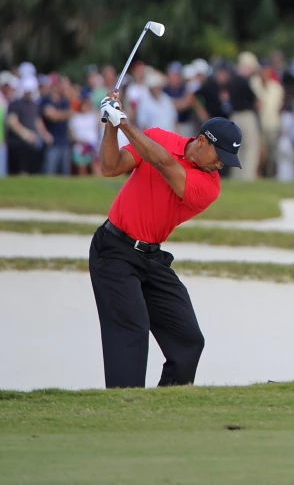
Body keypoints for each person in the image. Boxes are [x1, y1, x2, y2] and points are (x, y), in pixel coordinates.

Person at [91, 92, 241, 389]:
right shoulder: (158, 137)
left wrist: (125, 125)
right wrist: (111, 123)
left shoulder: (209, 187)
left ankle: (167, 405)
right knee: (131, 331)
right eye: (220, 156)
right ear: (202, 141)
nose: (221, 166)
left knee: (188, 340)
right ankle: (126, 411)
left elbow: (163, 164)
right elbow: (110, 167)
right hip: (113, 251)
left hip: (151, 259)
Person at [5, 78, 50, 176]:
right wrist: (26, 134)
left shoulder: (34, 105)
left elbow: (38, 121)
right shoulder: (15, 104)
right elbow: (12, 122)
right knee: (19, 172)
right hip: (17, 144)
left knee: (32, 171)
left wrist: (45, 134)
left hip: (31, 144)